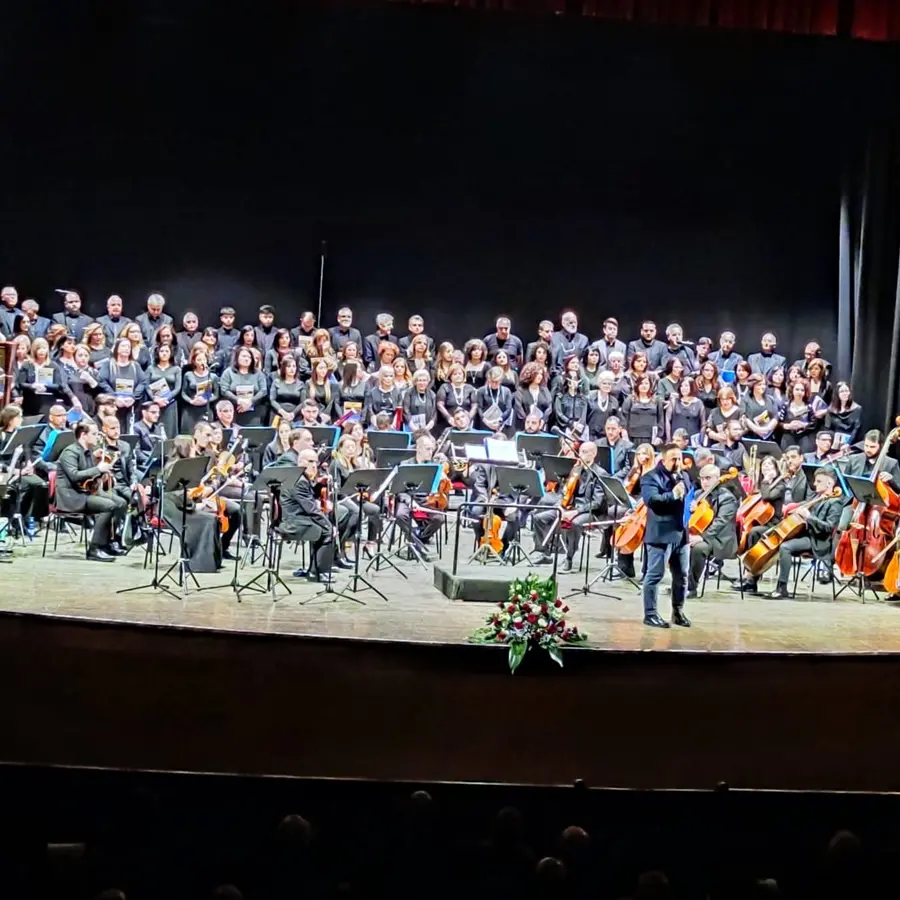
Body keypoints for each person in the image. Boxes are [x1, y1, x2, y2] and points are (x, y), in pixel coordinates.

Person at [54, 420, 128, 561]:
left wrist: (99, 463)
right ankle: (94, 549)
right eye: (94, 434)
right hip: (72, 496)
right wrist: (98, 468)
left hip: (83, 492)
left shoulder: (87, 452)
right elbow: (75, 476)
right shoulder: (70, 452)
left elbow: (90, 476)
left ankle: (107, 543)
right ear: (83, 435)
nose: (97, 437)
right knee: (108, 506)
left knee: (119, 502)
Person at [764, 467, 842, 599]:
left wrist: (808, 517)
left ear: (829, 484)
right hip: (807, 535)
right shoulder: (818, 497)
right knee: (779, 540)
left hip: (818, 541)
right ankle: (752, 579)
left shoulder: (835, 503)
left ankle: (782, 588)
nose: (814, 484)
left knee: (785, 547)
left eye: (818, 481)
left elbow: (828, 528)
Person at [531, 441, 605, 571]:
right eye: (580, 451)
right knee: (538, 518)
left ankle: (569, 558)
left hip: (588, 511)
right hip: (569, 507)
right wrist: (559, 505)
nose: (580, 455)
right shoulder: (575, 470)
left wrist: (576, 512)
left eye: (584, 452)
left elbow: (597, 503)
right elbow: (564, 492)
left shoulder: (600, 473)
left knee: (573, 523)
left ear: (593, 454)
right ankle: (544, 552)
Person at [640, 443, 692, 628]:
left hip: (681, 533)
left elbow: (689, 495)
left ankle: (678, 612)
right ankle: (650, 614)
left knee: (682, 576)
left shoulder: (684, 475)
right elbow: (652, 501)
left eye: (679, 458)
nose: (678, 462)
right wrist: (672, 495)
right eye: (674, 459)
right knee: (654, 575)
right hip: (661, 534)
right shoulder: (650, 477)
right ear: (663, 459)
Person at [687, 464, 738, 597]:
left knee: (698, 548)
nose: (704, 482)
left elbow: (719, 523)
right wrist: (691, 510)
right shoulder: (699, 494)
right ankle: (679, 583)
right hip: (702, 534)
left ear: (717, 478)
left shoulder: (727, 498)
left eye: (708, 478)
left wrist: (702, 537)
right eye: (702, 479)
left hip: (720, 539)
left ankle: (691, 588)